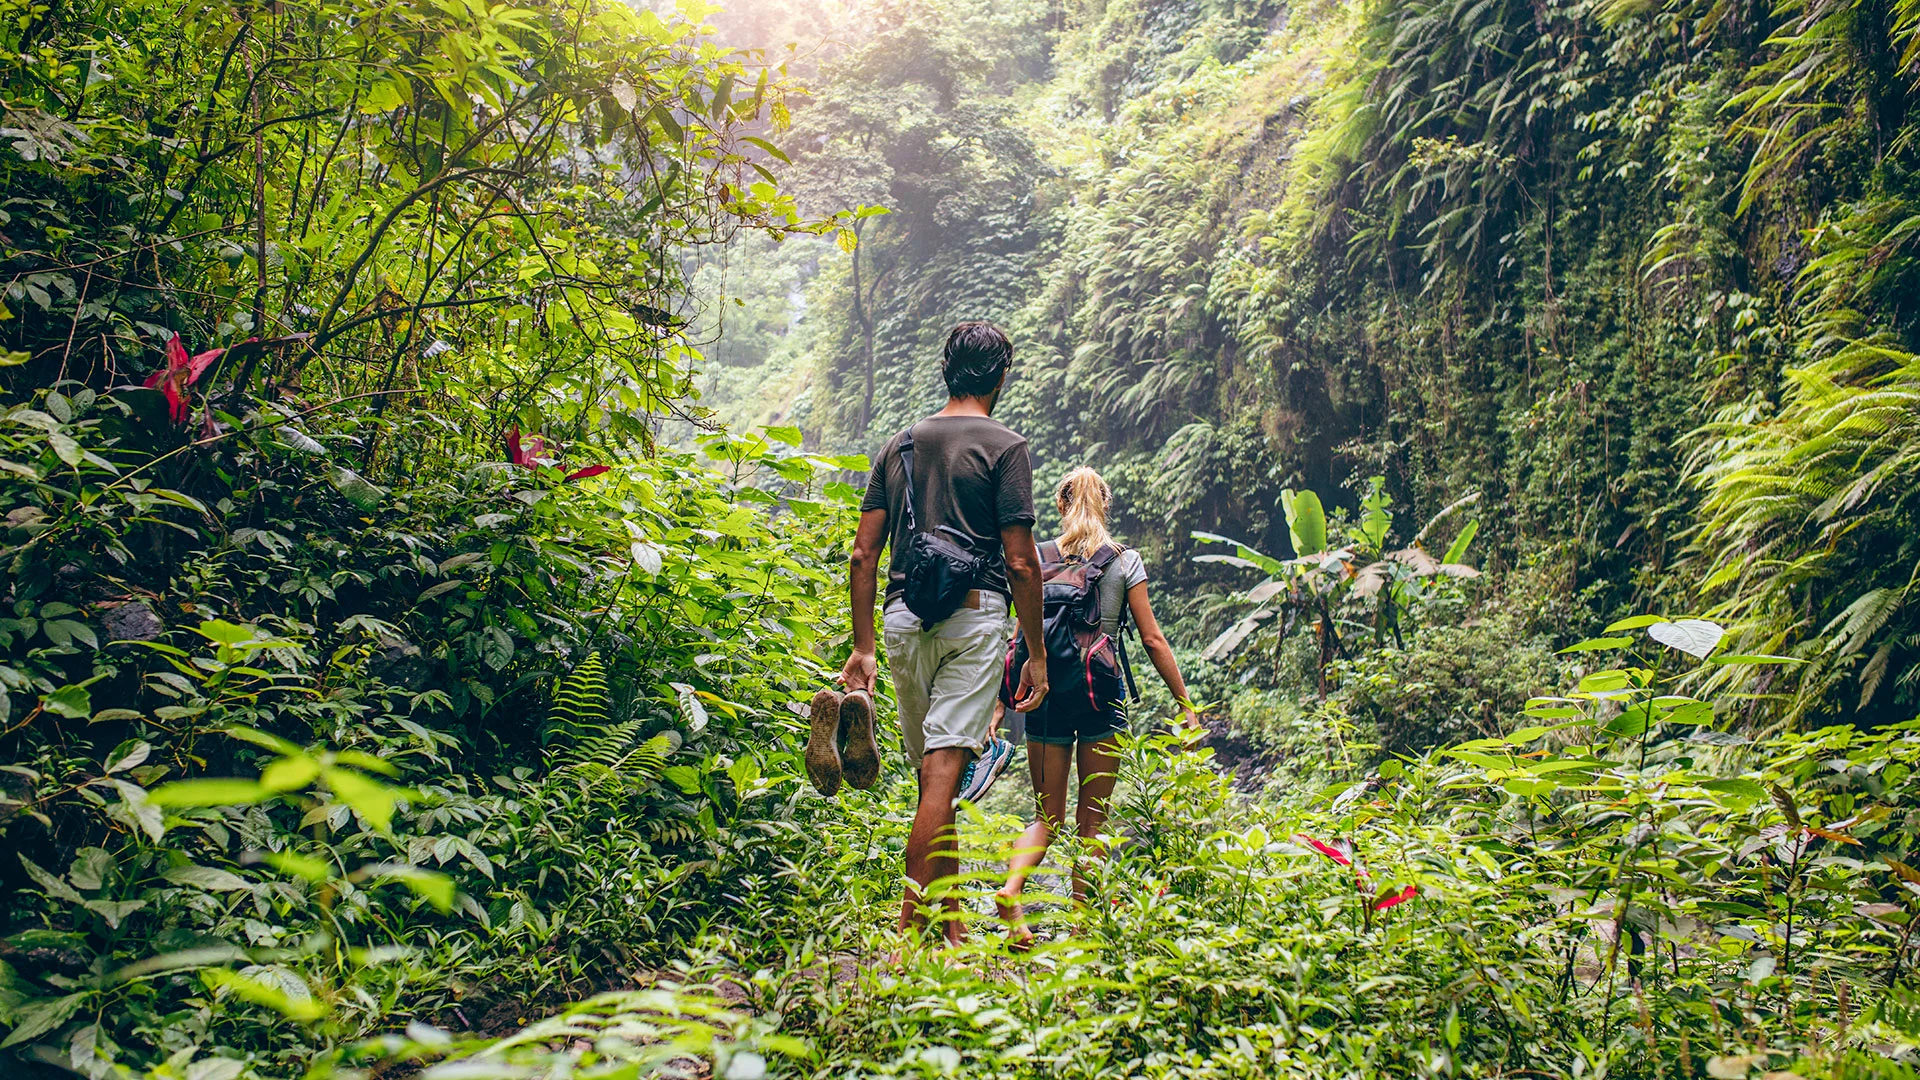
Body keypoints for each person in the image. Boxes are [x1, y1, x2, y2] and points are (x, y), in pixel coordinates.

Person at [831, 321, 1050, 947]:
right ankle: (909, 923)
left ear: (946, 372)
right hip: (973, 616)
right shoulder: (1005, 446)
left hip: (902, 620)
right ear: (1000, 377)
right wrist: (1034, 654)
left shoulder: (898, 446)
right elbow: (1021, 562)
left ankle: (949, 927)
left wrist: (863, 645)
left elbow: (862, 555)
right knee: (945, 772)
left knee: (937, 779)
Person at [994, 466, 1198, 947]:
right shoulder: (1124, 561)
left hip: (1043, 693)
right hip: (1100, 696)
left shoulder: (1038, 558)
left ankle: (1011, 888)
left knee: (1048, 816)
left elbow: (1018, 638)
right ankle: (1083, 931)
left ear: (1061, 505)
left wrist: (1001, 705)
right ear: (1105, 504)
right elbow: (1151, 638)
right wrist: (1185, 703)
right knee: (1094, 819)